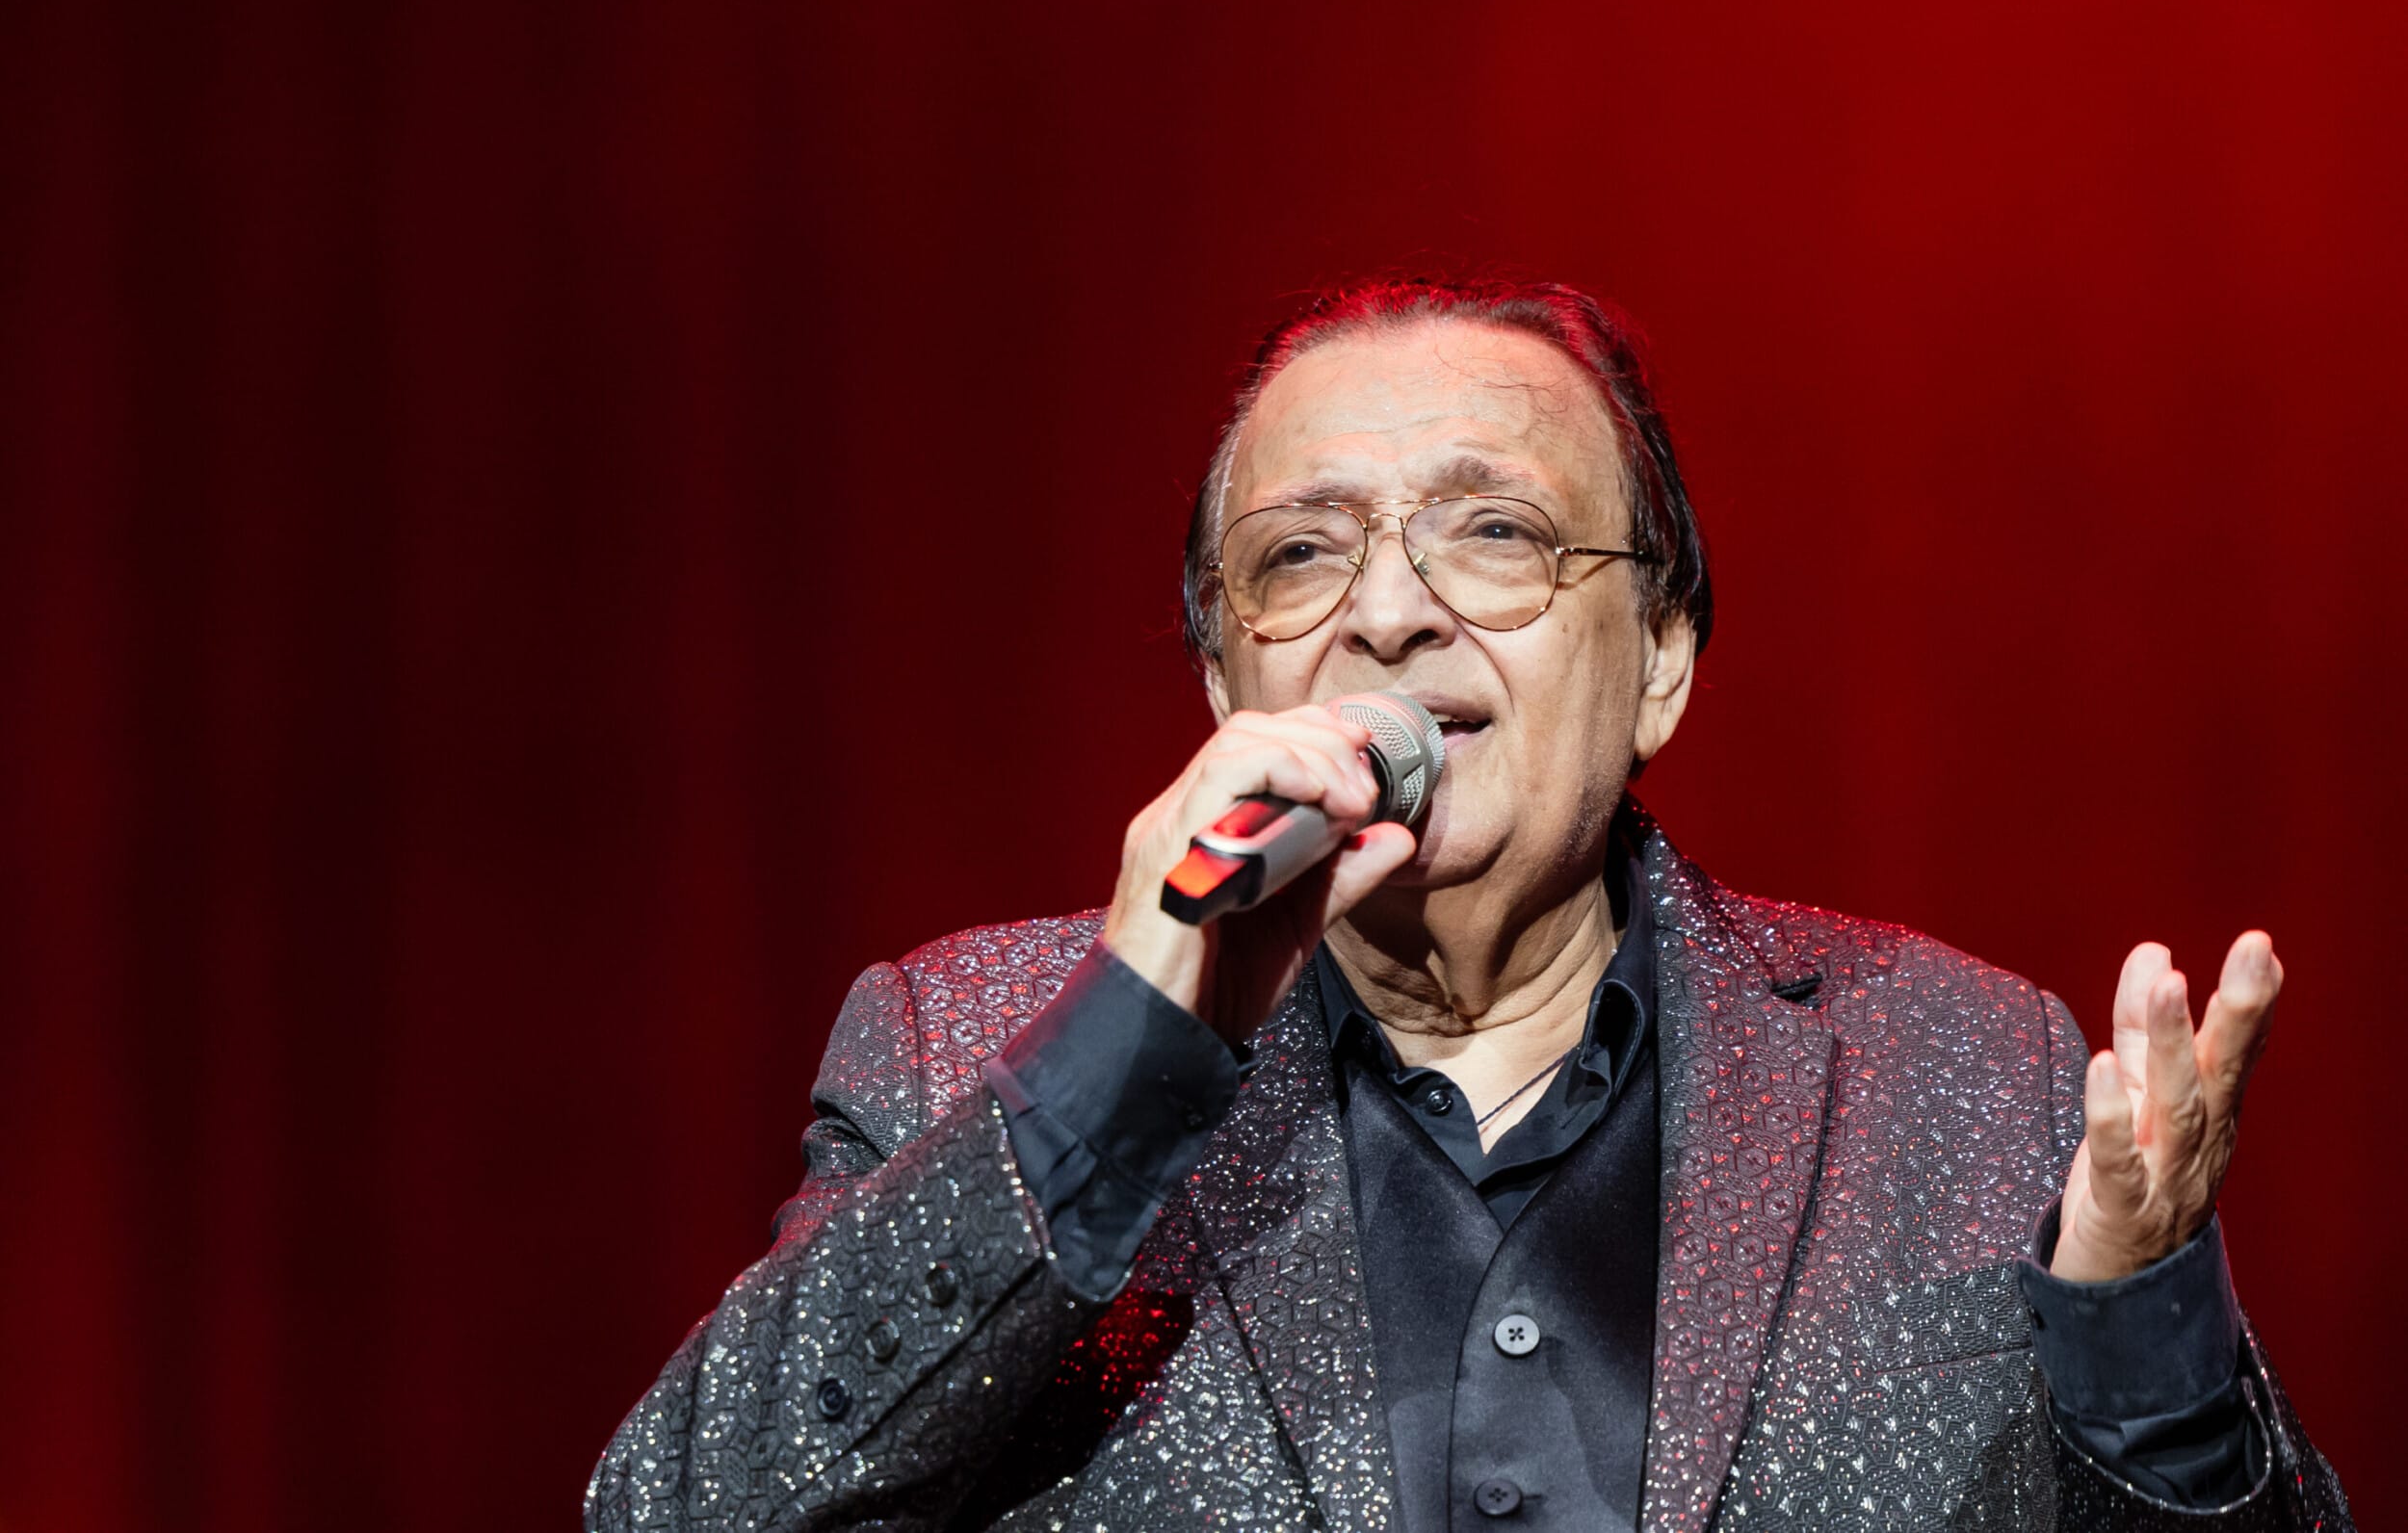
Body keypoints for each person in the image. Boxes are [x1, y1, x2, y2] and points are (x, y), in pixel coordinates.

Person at [585, 278, 2351, 1531]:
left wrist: (2140, 1345)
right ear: (1225, 680)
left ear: (1661, 661)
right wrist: (1117, 1073)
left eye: (1492, 535)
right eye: (1301, 553)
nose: (1389, 614)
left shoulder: (1964, 1068)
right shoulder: (962, 1044)